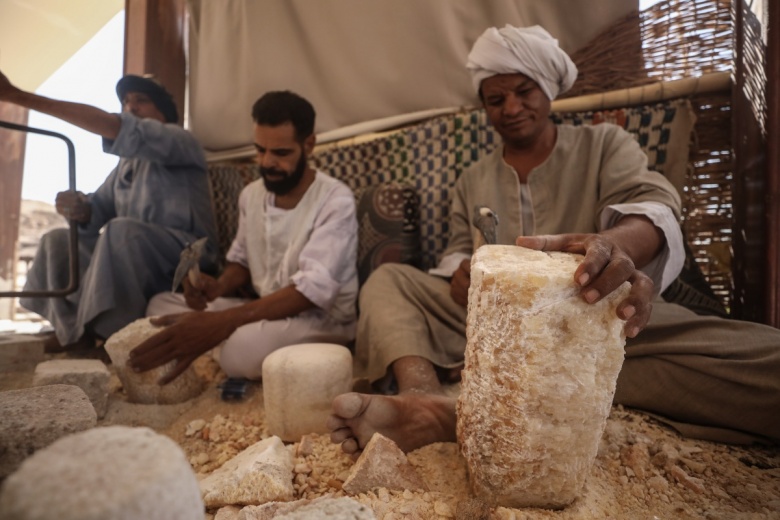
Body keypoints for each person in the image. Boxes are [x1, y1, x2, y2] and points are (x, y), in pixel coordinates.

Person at [328, 24, 780, 457]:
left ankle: (503, 395)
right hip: (491, 324)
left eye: (523, 91)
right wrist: (461, 274)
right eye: (496, 98)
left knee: (762, 365)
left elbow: (650, 205)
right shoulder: (472, 178)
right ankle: (423, 401)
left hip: (593, 313)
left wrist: (615, 246)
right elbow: (456, 253)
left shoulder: (604, 144)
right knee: (390, 281)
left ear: (547, 90)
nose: (510, 107)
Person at [128, 91, 359, 384]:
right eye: (260, 150)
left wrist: (223, 321)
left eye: (281, 153)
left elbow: (311, 292)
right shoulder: (252, 194)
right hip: (264, 312)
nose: (267, 162)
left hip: (322, 319)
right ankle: (216, 337)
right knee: (159, 306)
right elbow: (242, 261)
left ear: (309, 144)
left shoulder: (335, 199)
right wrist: (218, 286)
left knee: (240, 354)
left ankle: (217, 340)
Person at [0, 71, 219, 353]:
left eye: (141, 100)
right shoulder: (124, 166)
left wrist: (16, 96)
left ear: (162, 112)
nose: (130, 107)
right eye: (126, 102)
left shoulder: (180, 141)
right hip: (132, 259)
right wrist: (78, 208)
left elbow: (116, 127)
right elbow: (96, 212)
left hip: (189, 258)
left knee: (122, 231)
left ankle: (111, 336)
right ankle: (73, 333)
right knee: (57, 240)